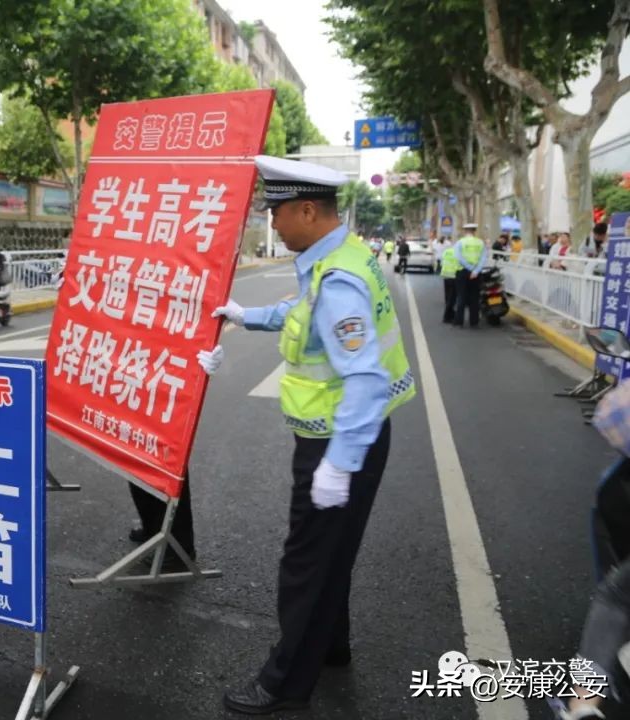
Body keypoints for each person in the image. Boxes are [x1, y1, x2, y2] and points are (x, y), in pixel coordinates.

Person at [209, 156, 416, 715]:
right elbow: (304, 313)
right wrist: (245, 315)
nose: (273, 224)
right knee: (331, 553)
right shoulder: (339, 257)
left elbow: (366, 379)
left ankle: (283, 683)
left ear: (306, 210)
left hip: (339, 440)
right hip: (351, 436)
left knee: (305, 563)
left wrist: (338, 464)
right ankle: (330, 648)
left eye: (276, 212)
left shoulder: (338, 279)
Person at [453, 222, 487, 328]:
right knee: (474, 297)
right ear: (474, 231)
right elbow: (483, 258)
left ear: (465, 231)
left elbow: (458, 257)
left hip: (462, 272)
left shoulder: (460, 242)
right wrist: (475, 271)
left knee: (461, 296)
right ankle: (474, 322)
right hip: (476, 273)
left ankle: (459, 322)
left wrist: (469, 268)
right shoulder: (480, 243)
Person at [440, 239, 461, 323]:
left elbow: (441, 263)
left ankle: (451, 313)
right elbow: (460, 265)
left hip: (446, 275)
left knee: (448, 297)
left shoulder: (446, 251)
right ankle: (447, 316)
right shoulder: (459, 253)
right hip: (453, 276)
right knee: (452, 298)